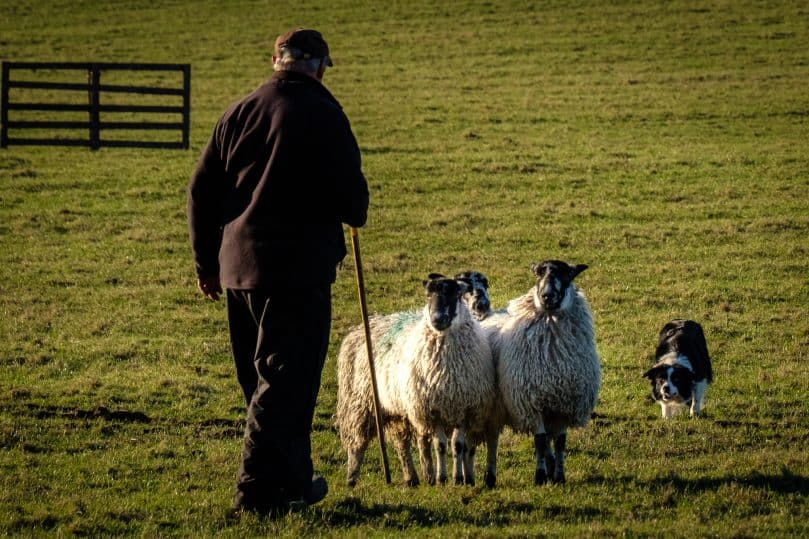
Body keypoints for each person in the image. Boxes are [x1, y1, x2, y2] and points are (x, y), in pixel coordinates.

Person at [187, 28, 369, 516]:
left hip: (236, 271)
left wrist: (206, 265)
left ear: (275, 61)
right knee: (285, 385)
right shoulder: (326, 114)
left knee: (263, 382)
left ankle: (295, 482)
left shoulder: (238, 112)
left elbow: (201, 191)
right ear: (320, 66)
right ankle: (255, 493)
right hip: (297, 272)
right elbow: (354, 204)